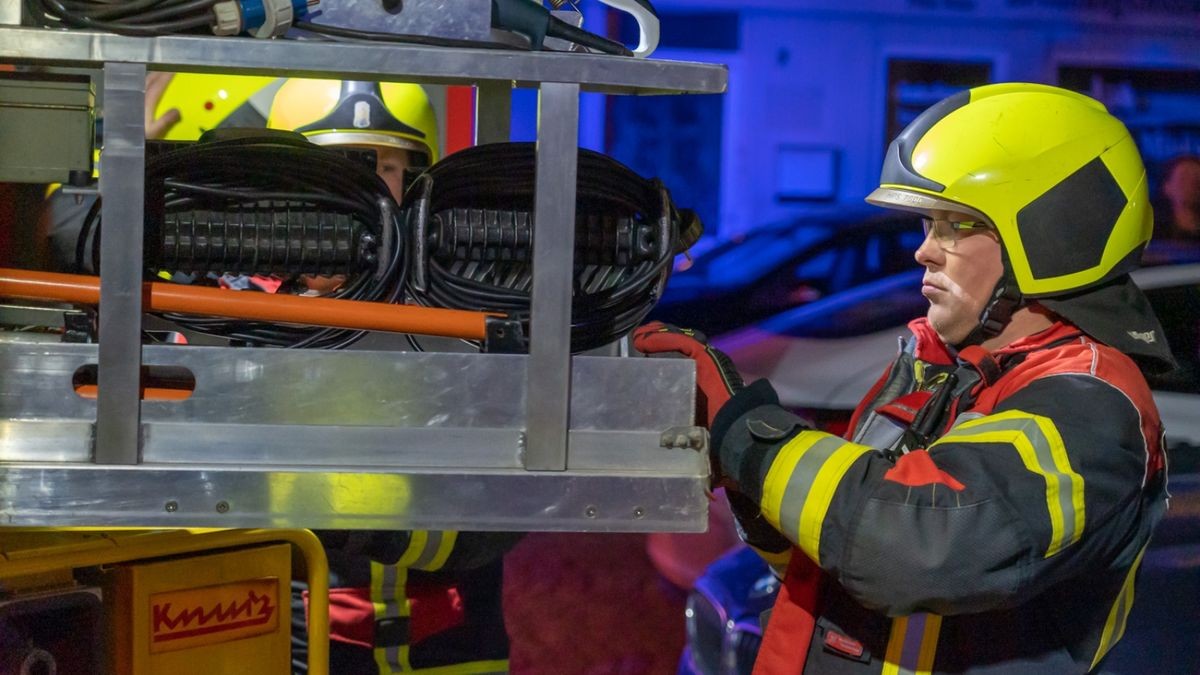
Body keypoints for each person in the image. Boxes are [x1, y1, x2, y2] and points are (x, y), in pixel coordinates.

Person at [636, 82, 1174, 674]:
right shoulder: (939, 372)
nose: (925, 251)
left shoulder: (1092, 408)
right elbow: (832, 558)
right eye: (928, 225)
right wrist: (736, 469)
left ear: (1054, 236)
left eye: (955, 226)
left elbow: (913, 544)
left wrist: (746, 432)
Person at [267, 78, 519, 675]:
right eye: (337, 165)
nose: (361, 187)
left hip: (455, 644)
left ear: (417, 181)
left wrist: (351, 524)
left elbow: (509, 503)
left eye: (382, 164)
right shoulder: (231, 318)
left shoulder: (466, 320)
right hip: (295, 642)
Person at [1156, 154, 1200, 242]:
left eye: (1197, 179)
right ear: (1167, 187)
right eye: (1184, 179)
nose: (1192, 185)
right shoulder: (1155, 233)